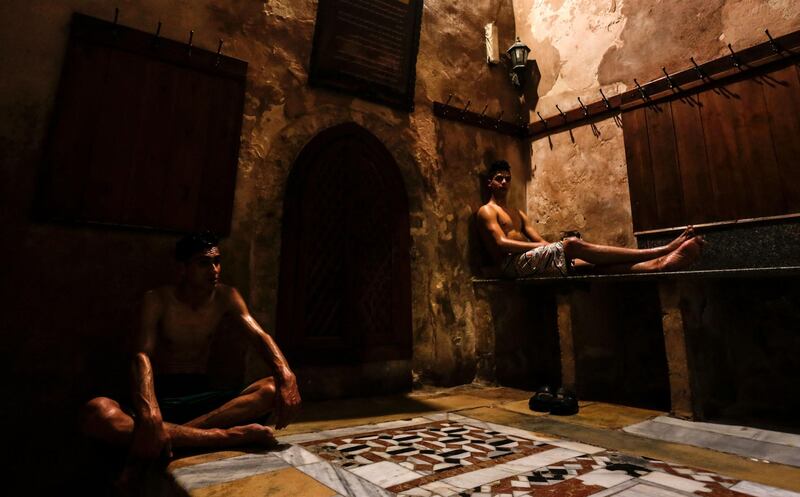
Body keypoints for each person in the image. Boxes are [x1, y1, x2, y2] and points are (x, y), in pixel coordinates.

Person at [82, 232, 301, 463]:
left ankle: (168, 438)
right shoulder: (158, 299)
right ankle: (223, 437)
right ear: (183, 268)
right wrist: (150, 414)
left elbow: (259, 336)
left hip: (202, 399)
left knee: (273, 389)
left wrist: (286, 374)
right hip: (162, 395)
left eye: (217, 261)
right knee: (97, 412)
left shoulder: (227, 296)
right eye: (203, 263)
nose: (214, 270)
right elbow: (141, 355)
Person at [477, 160, 703, 277]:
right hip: (510, 266)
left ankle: (657, 265)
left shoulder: (518, 213)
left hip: (530, 260)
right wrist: (556, 247)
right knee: (572, 245)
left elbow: (540, 241)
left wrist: (552, 248)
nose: (504, 183)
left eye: (507, 178)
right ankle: (659, 250)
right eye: (499, 179)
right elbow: (501, 243)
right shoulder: (487, 211)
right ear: (490, 182)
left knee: (588, 265)